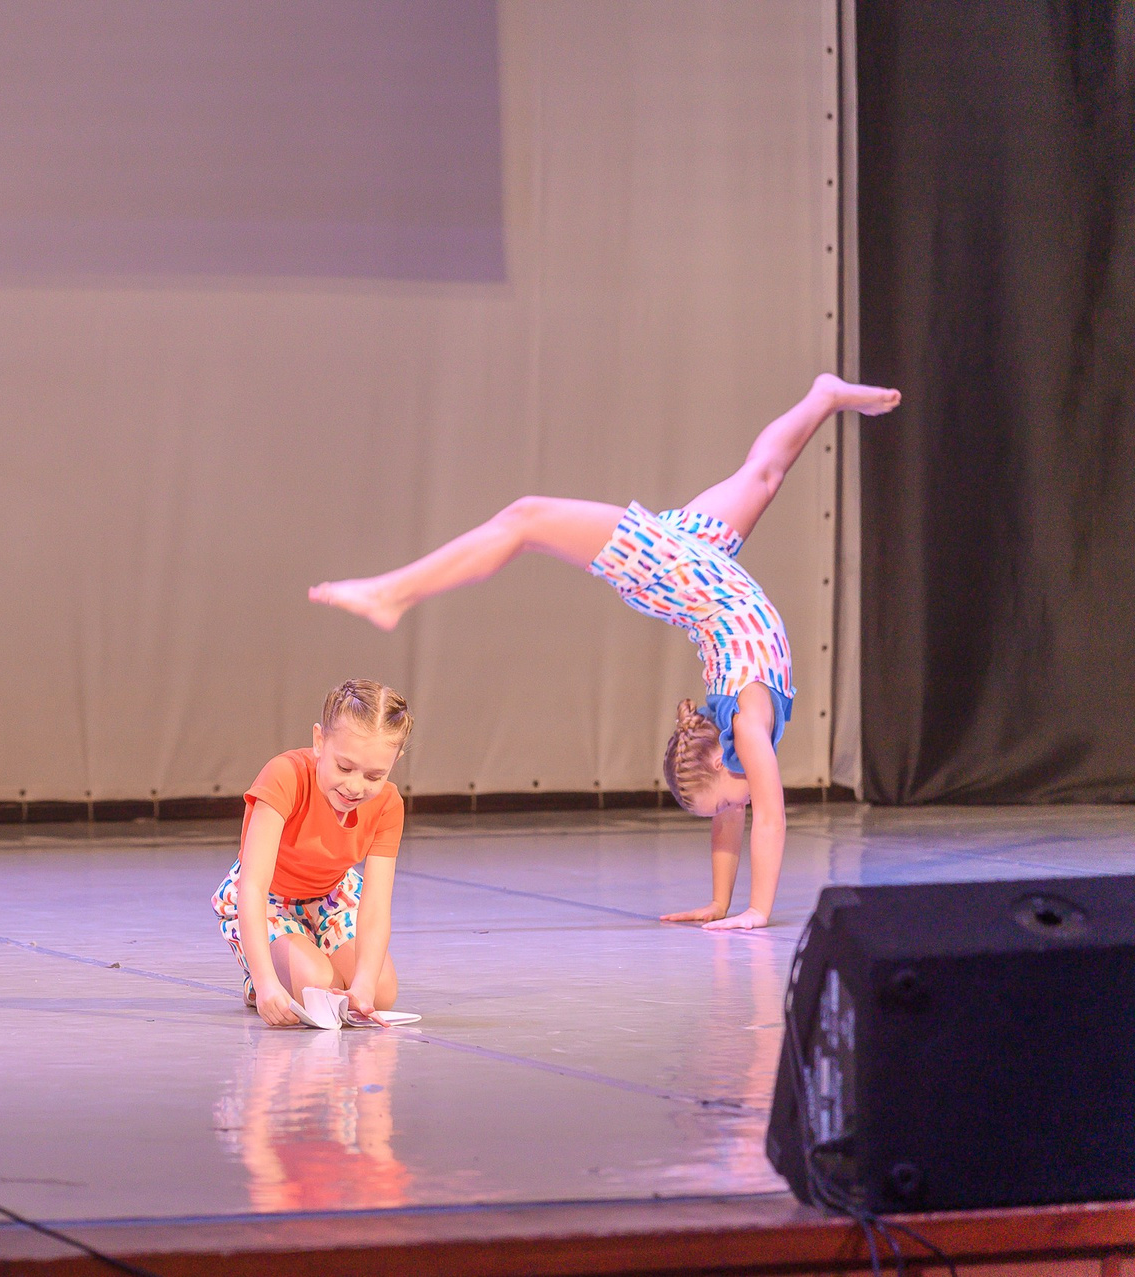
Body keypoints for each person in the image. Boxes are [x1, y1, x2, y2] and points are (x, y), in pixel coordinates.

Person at [310, 373, 901, 929]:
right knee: (744, 478)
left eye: (723, 806)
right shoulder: (743, 731)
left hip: (694, 579)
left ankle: (392, 592)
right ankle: (823, 398)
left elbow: (750, 816)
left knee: (542, 515)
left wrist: (741, 908)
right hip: (697, 577)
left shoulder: (741, 732)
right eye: (724, 808)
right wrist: (740, 908)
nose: (732, 814)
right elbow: (759, 817)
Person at [214, 680, 411, 1026]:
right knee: (317, 985)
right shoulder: (284, 776)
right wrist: (265, 983)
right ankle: (263, 975)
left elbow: (376, 906)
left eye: (374, 776)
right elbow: (253, 887)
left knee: (381, 992)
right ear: (319, 741)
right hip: (271, 900)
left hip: (331, 896)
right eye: (344, 767)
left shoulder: (388, 804)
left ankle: (312, 956)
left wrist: (363, 987)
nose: (355, 786)